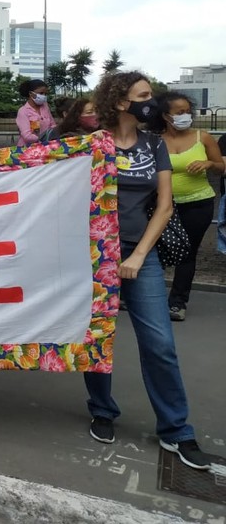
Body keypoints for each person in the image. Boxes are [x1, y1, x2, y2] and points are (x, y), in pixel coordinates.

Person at [83, 71, 212, 470]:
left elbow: (165, 205)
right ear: (121, 102)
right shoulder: (91, 145)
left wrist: (138, 256)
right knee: (97, 337)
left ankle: (176, 430)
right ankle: (102, 410)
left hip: (143, 255)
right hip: (93, 255)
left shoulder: (154, 144)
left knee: (159, 342)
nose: (151, 102)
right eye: (144, 95)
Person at [151, 91, 223, 322]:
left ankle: (177, 303)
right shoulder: (155, 140)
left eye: (188, 111)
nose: (186, 116)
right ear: (165, 116)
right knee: (155, 251)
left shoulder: (203, 137)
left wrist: (209, 163)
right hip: (162, 205)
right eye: (179, 112)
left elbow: (222, 167)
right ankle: (148, 299)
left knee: (187, 253)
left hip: (198, 203)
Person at [15, 79, 55, 147]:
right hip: (28, 149)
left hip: (46, 146)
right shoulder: (23, 111)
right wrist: (43, 139)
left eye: (45, 94)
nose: (44, 96)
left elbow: (53, 125)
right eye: (41, 93)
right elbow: (27, 136)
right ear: (31, 93)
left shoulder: (45, 107)